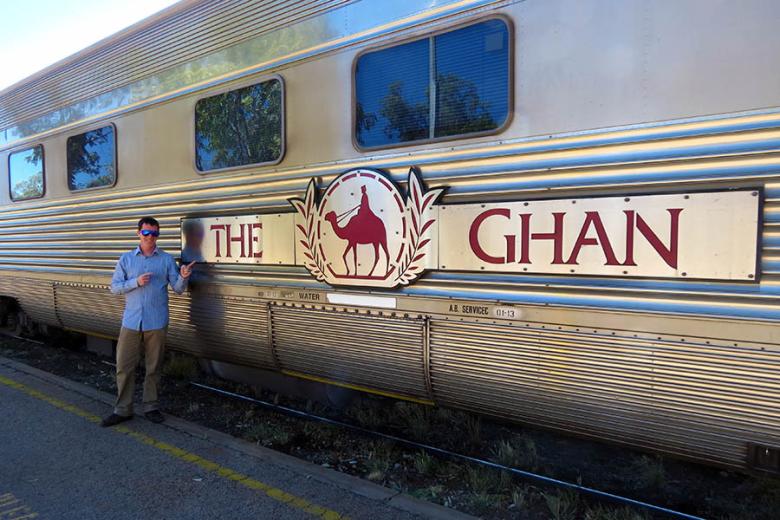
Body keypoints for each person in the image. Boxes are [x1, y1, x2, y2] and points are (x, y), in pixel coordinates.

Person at [101, 217, 194, 427]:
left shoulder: (166, 260)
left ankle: (151, 406)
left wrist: (184, 276)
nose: (150, 237)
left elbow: (178, 289)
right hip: (132, 321)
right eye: (146, 233)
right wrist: (136, 282)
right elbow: (114, 288)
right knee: (124, 366)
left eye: (154, 234)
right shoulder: (126, 259)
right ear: (138, 234)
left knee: (154, 367)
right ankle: (123, 409)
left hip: (157, 322)